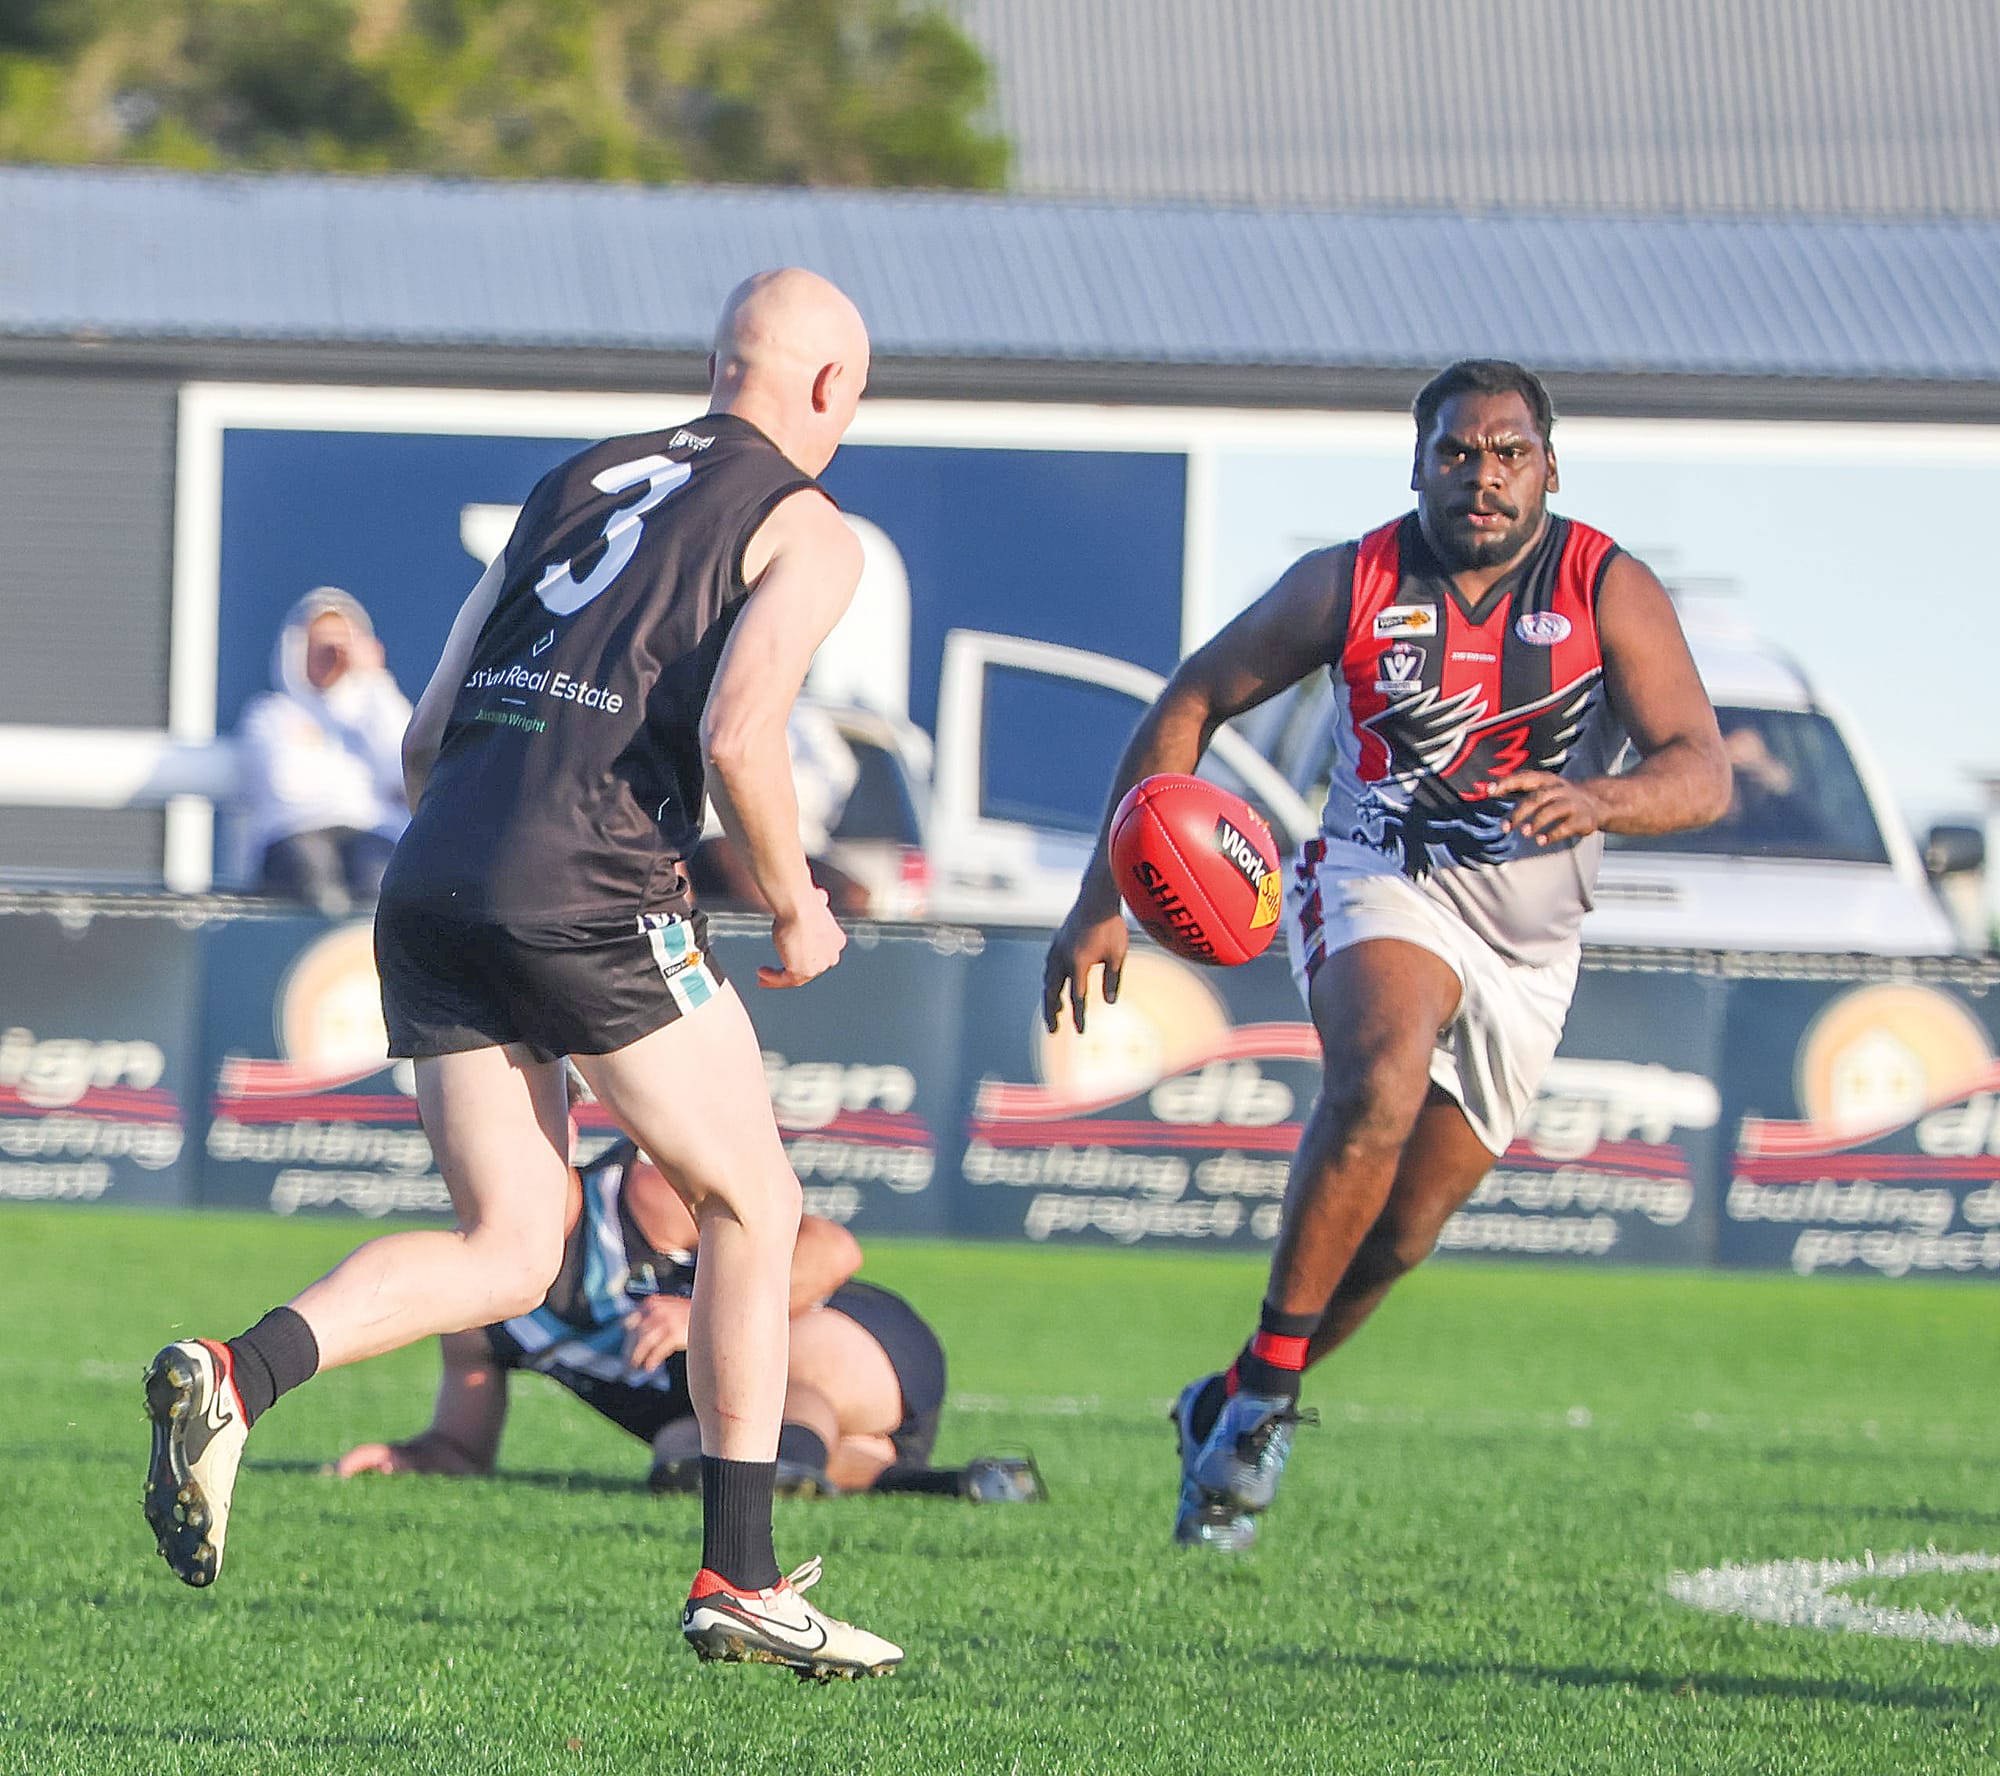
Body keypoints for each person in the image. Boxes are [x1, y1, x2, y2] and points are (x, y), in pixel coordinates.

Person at [143, 268, 903, 1678]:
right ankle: (741, 1571)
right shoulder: (809, 524)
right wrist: (796, 908)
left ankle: (240, 1375)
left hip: (431, 875)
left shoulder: (579, 477)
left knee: (513, 1246)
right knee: (754, 1198)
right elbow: (743, 737)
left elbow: (427, 731)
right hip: (595, 876)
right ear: (827, 390)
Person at [1042, 359, 1730, 1552]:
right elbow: (1193, 696)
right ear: (1415, 466)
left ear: (1547, 470)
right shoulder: (1345, 581)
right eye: (1455, 452)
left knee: (1403, 1234)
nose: (1481, 476)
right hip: (1378, 877)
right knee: (1377, 1077)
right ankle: (1263, 1412)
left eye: (1507, 453)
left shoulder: (1604, 585)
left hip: (1531, 935)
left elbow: (1700, 768)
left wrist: (1600, 800)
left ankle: (1235, 1387)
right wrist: (1101, 893)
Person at [332, 1137, 1043, 1507]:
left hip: (853, 1345)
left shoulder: (639, 1196)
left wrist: (705, 1310)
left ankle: (783, 1465)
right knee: (680, 1457)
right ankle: (926, 1484)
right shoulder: (476, 1308)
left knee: (753, 1380)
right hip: (736, 1415)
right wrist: (413, 1457)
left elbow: (832, 1250)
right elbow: (462, 1448)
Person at [234, 587, 413, 914]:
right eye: (320, 646)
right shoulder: (270, 714)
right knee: (311, 872)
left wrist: (373, 681)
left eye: (342, 644)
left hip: (371, 839)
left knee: (378, 875)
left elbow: (404, 768)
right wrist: (359, 783)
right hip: (294, 840)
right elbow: (287, 787)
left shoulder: (374, 713)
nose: (332, 656)